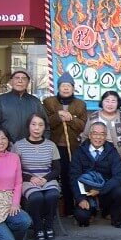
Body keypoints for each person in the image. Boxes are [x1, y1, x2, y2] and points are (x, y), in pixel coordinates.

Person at [42, 72, 88, 217]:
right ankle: (52, 209)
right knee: (54, 175)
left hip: (72, 147)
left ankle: (69, 209)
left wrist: (70, 118)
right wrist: (58, 116)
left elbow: (82, 125)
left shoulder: (80, 104)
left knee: (70, 176)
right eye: (63, 86)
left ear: (73, 88)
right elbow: (45, 121)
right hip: (53, 145)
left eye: (69, 86)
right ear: (58, 88)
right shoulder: (49, 102)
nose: (66, 88)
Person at [11, 113, 61, 240]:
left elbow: (57, 169)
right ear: (28, 126)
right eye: (33, 124)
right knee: (36, 197)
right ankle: (38, 227)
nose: (36, 128)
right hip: (28, 179)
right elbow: (15, 170)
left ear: (45, 127)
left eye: (40, 125)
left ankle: (49, 225)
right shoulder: (18, 145)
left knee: (52, 195)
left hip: (47, 178)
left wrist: (45, 179)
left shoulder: (51, 145)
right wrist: (30, 178)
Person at [70, 122, 121, 228]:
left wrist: (101, 190)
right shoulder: (80, 151)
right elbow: (74, 177)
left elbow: (119, 176)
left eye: (102, 134)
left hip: (106, 191)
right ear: (90, 135)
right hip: (86, 192)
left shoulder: (112, 151)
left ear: (105, 136)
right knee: (82, 218)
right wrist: (80, 198)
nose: (98, 137)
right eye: (95, 133)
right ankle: (91, 212)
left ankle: (114, 217)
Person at [0, 70, 49, 142]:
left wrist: (43, 142)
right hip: (7, 146)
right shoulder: (0, 100)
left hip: (31, 146)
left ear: (28, 82)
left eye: (24, 78)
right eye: (17, 78)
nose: (20, 81)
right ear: (11, 81)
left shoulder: (35, 102)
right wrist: (0, 141)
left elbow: (45, 125)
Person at [81, 91, 121, 163]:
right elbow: (85, 137)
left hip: (120, 157)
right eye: (107, 101)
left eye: (113, 101)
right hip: (97, 158)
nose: (110, 104)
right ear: (102, 102)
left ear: (118, 103)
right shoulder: (94, 117)